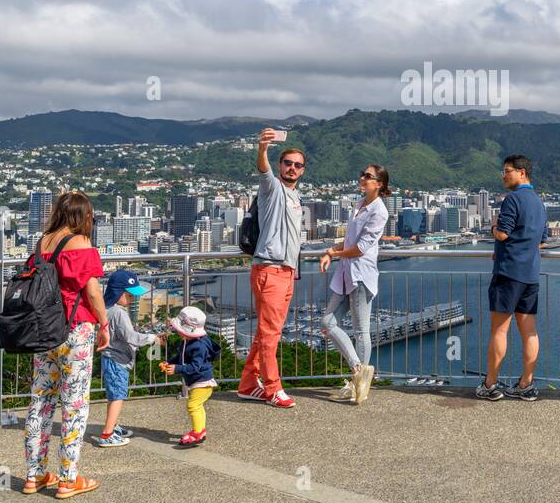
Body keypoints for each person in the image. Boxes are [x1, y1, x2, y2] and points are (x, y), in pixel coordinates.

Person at [22, 191, 111, 499]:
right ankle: (67, 479)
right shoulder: (81, 244)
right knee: (74, 405)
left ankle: (34, 475)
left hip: (43, 331)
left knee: (40, 401)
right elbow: (93, 292)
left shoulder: (42, 242)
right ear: (83, 216)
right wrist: (105, 323)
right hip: (75, 331)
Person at [237, 128, 304, 409]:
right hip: (270, 269)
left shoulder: (296, 197)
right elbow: (263, 171)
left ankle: (248, 384)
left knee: (266, 332)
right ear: (280, 166)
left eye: (298, 165)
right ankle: (273, 389)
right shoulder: (272, 189)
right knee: (271, 334)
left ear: (303, 171)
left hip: (287, 272)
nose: (292, 168)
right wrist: (262, 148)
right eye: (288, 163)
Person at [476, 155, 549, 402]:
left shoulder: (512, 200)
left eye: (507, 171)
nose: (503, 175)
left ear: (521, 172)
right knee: (530, 332)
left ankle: (490, 384)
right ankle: (526, 384)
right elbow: (543, 240)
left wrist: (494, 229)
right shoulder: (539, 202)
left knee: (499, 330)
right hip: (530, 274)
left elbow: (504, 234)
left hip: (508, 274)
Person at [319, 164, 390, 404]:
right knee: (327, 322)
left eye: (368, 176)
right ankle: (359, 370)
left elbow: (361, 248)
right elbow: (350, 240)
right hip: (346, 272)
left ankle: (357, 382)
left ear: (379, 184)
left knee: (361, 331)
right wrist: (332, 251)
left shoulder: (379, 211)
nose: (362, 178)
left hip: (361, 275)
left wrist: (335, 253)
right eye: (363, 174)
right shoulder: (360, 204)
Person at [95, 270, 167, 447]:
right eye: (128, 294)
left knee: (114, 395)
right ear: (118, 292)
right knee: (118, 396)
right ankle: (107, 434)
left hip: (109, 357)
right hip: (118, 359)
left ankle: (113, 425)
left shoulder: (106, 309)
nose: (132, 299)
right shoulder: (119, 313)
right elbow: (131, 337)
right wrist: (153, 338)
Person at [160, 306, 222, 446]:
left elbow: (195, 367)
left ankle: (197, 432)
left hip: (202, 381)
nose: (178, 332)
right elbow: (181, 357)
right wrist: (170, 363)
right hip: (199, 380)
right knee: (197, 406)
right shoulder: (188, 341)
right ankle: (200, 430)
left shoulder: (199, 346)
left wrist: (177, 369)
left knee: (193, 405)